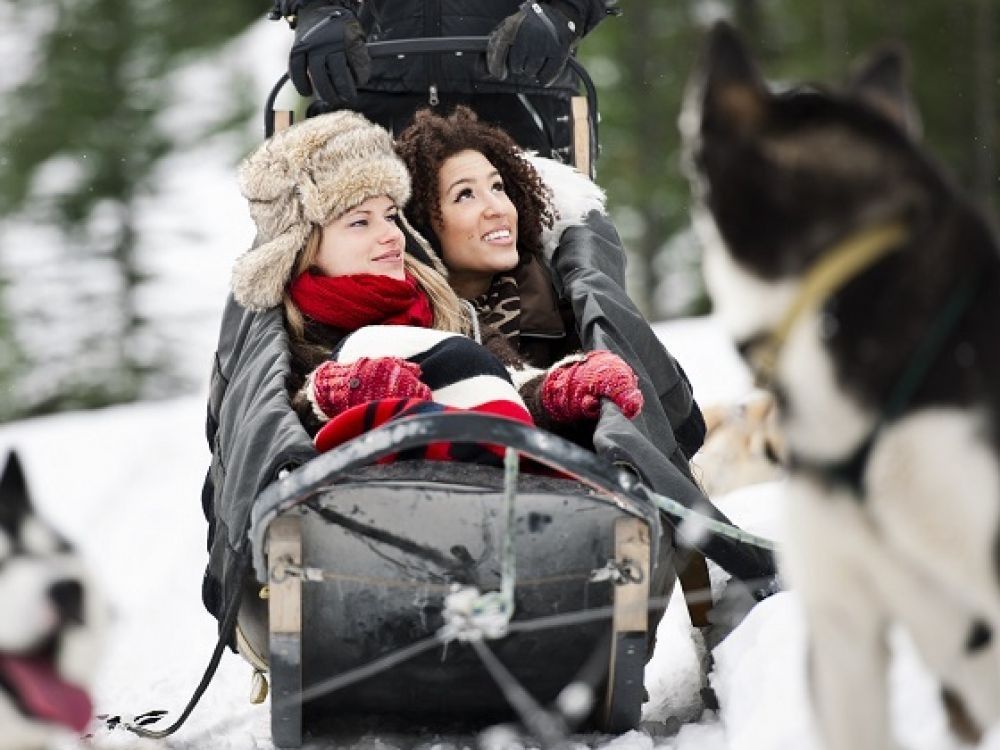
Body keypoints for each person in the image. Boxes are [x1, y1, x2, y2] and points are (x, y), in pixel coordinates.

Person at [396, 106, 780, 618]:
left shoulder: (558, 307)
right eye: (465, 195)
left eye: (497, 187)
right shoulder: (403, 320)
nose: (496, 209)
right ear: (424, 221)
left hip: (560, 532)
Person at [232, 108, 645, 448]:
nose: (390, 235)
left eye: (392, 216)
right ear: (304, 248)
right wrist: (327, 397)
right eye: (360, 222)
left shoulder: (445, 310)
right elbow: (273, 430)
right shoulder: (292, 333)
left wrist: (558, 391)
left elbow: (503, 385)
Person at [267, 0, 620, 159]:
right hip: (366, 102)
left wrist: (563, 11)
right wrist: (316, 9)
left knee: (558, 271)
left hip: (521, 99)